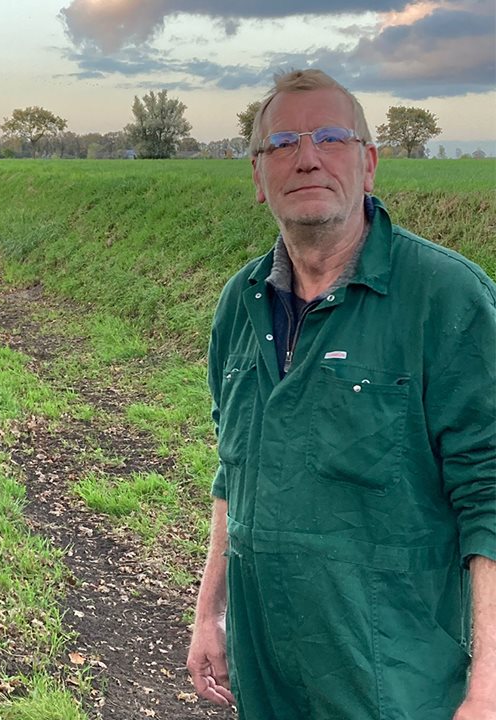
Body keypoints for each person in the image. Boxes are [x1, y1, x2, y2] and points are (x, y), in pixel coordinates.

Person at [186, 69, 496, 720]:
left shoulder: (446, 299)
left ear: (369, 162)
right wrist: (209, 614)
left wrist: (488, 689)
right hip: (267, 674)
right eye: (282, 143)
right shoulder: (238, 305)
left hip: (393, 682)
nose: (307, 157)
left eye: (331, 136)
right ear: (257, 174)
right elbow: (232, 470)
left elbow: (489, 497)